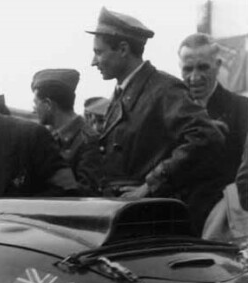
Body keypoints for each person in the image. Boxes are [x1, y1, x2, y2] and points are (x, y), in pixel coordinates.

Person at [88, 7, 226, 234]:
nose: (94, 61)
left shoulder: (163, 89)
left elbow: (205, 135)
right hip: (129, 213)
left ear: (123, 49)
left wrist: (149, 185)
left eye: (99, 52)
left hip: (151, 218)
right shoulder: (124, 92)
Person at [178, 33, 248, 187]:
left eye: (203, 67)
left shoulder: (242, 109)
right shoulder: (173, 110)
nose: (194, 77)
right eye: (188, 69)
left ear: (218, 65)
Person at [31, 68, 102, 194]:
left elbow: (89, 193)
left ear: (48, 104)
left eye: (36, 103)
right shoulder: (49, 136)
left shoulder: (89, 141)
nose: (34, 110)